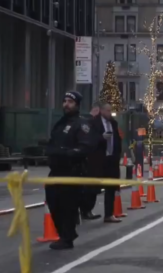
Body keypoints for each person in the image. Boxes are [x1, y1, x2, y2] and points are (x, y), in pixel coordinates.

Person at [46, 91, 97, 249]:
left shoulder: (81, 124)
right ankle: (65, 233)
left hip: (71, 171)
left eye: (70, 102)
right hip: (56, 171)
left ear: (77, 105)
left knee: (67, 205)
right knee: (53, 202)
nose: (66, 104)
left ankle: (67, 237)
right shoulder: (60, 123)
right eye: (65, 101)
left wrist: (66, 153)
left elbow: (85, 147)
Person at [90, 102, 122, 223]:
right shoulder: (94, 122)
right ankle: (85, 209)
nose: (109, 113)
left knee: (111, 188)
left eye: (110, 110)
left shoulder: (113, 123)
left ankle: (109, 214)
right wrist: (101, 138)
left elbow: (117, 140)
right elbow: (90, 139)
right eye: (107, 110)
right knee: (93, 188)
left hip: (111, 159)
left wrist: (117, 154)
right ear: (101, 111)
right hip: (99, 160)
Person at [79, 102, 104, 221]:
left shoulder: (86, 121)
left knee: (89, 187)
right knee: (90, 187)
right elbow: (92, 139)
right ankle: (86, 210)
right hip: (91, 159)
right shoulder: (90, 123)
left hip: (90, 159)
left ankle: (85, 210)